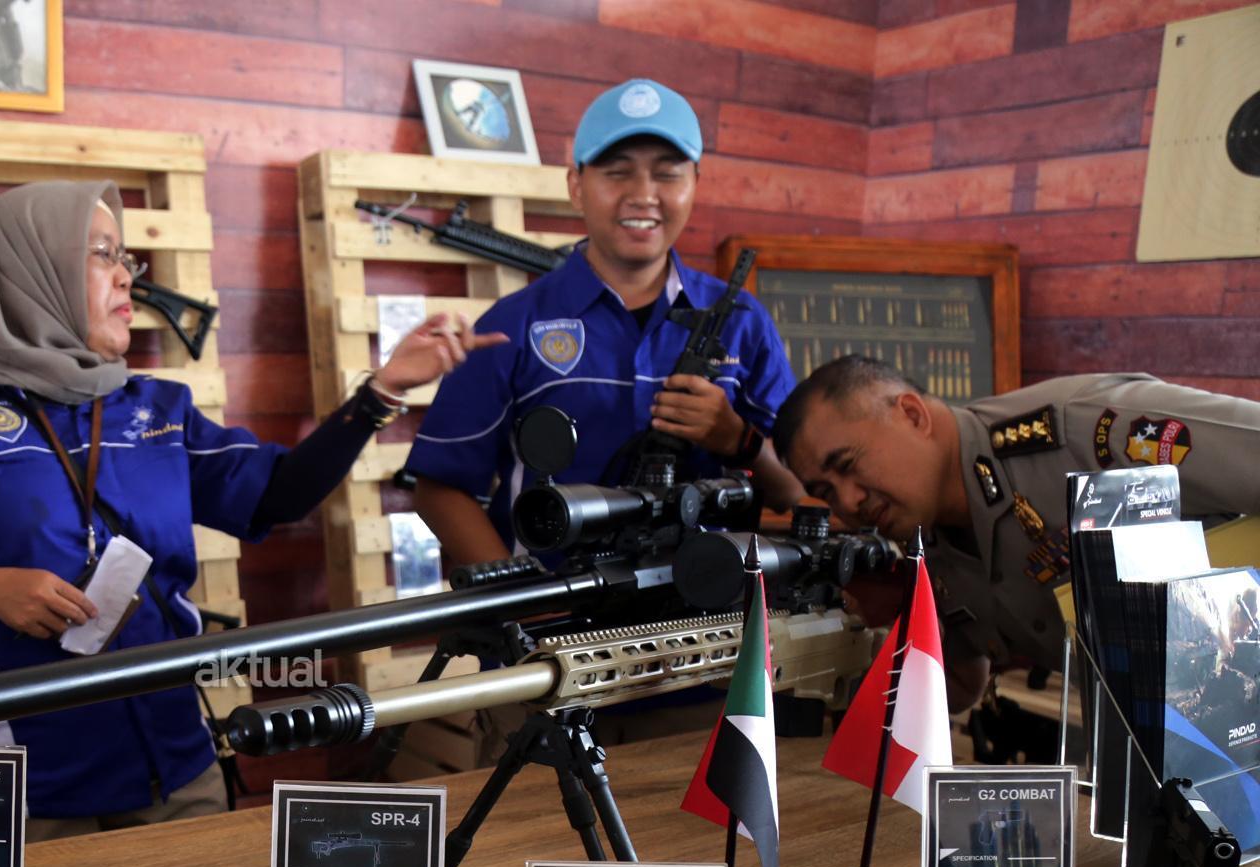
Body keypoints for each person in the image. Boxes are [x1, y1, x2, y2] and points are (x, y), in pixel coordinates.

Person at [0, 180, 503, 839]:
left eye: (127, 258)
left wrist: (382, 392)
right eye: (102, 254)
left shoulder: (154, 407)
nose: (127, 277)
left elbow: (278, 494)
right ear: (29, 270)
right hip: (16, 785)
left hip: (175, 765)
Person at [406, 77, 804, 573]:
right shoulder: (512, 326)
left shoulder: (743, 322)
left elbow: (794, 491)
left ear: (695, 184)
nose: (643, 195)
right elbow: (439, 488)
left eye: (667, 174)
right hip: (555, 612)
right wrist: (521, 602)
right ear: (576, 187)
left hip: (708, 610)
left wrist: (739, 441)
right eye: (617, 173)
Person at [772, 354, 1260, 709]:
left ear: (912, 415)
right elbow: (962, 685)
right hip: (1176, 753)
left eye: (848, 465)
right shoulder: (928, 541)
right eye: (826, 491)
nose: (849, 501)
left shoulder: (1082, 428)